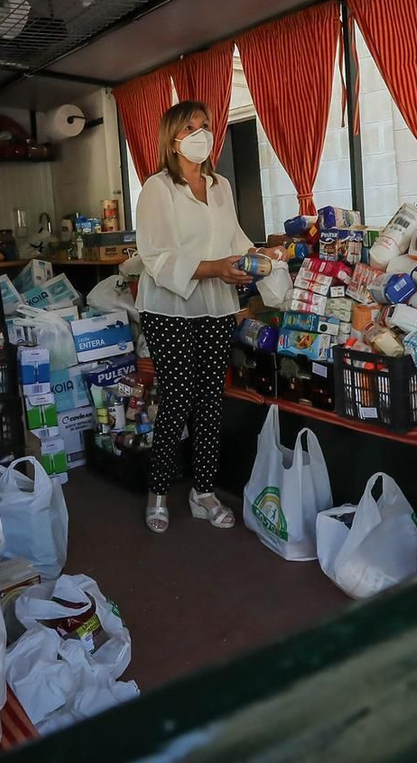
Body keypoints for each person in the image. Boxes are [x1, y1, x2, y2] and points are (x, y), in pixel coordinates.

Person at [133, 101, 284, 534]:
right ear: (173, 138)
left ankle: (203, 491)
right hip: (169, 308)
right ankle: (158, 491)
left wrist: (259, 256)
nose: (201, 134)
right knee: (178, 397)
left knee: (210, 400)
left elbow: (233, 237)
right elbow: (156, 256)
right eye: (190, 128)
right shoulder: (157, 188)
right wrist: (215, 268)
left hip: (216, 305)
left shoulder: (220, 186)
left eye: (205, 126)